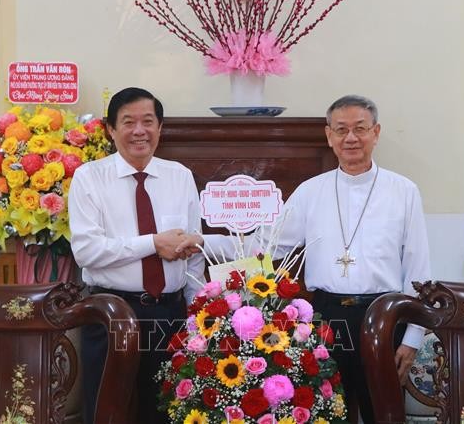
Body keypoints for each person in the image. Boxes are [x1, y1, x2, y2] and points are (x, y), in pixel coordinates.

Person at [178, 94, 431, 423]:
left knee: (382, 413)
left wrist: (412, 338)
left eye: (360, 128)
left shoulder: (404, 191)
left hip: (383, 317)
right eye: (341, 130)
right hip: (326, 318)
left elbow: (419, 268)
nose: (350, 138)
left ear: (376, 132)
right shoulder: (311, 191)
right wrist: (202, 241)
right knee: (328, 412)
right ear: (329, 136)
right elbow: (265, 248)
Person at [69, 87, 205, 424]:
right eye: (128, 122)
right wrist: (152, 244)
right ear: (111, 130)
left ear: (160, 128)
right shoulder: (90, 178)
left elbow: (194, 254)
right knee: (109, 411)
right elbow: (87, 252)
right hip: (111, 314)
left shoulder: (180, 176)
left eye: (148, 121)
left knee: (166, 412)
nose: (139, 131)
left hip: (170, 315)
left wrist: (198, 311)